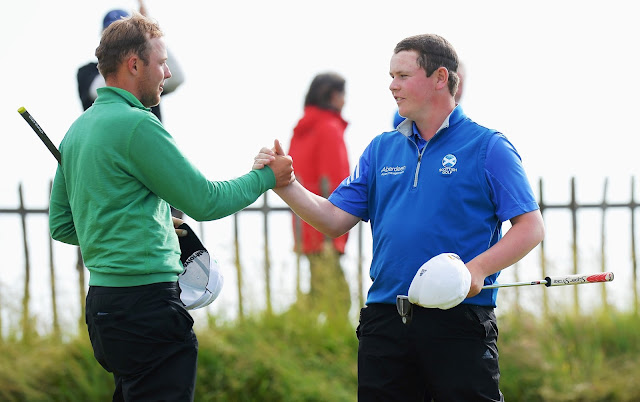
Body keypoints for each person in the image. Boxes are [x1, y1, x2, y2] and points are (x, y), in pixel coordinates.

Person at [257, 34, 544, 401]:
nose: (392, 85)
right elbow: (333, 219)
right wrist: (286, 184)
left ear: (440, 78)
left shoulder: (489, 146)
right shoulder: (381, 148)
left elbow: (530, 227)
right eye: (391, 76)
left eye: (403, 76)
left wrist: (477, 270)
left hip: (458, 319)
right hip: (385, 320)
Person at [49, 13, 293, 401]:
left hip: (103, 309)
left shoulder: (78, 129)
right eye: (161, 62)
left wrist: (131, 224)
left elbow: (62, 224)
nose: (167, 72)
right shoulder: (138, 125)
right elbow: (206, 201)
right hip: (146, 308)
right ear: (134, 64)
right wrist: (266, 177)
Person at [288, 72, 351, 324]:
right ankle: (308, 332)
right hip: (327, 221)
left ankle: (301, 329)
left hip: (305, 219)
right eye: (343, 95)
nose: (345, 101)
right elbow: (338, 182)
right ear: (334, 96)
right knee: (340, 299)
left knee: (319, 289)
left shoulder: (302, 130)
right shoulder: (329, 128)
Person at [77, 0, 185, 122]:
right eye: (113, 34)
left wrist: (151, 36)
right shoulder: (86, 71)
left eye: (125, 33)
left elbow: (177, 79)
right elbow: (99, 90)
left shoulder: (146, 67)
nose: (120, 40)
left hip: (146, 132)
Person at [393, 60, 465, 128]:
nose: (456, 90)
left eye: (460, 84)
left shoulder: (465, 126)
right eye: (452, 83)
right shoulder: (408, 114)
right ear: (439, 79)